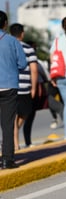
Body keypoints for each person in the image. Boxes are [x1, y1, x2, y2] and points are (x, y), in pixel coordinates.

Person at [0, 10, 27, 169]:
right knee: (7, 124)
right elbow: (23, 64)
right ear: (5, 24)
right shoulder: (12, 41)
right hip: (9, 86)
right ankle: (7, 160)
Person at [9, 23, 38, 150]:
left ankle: (11, 137)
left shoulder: (6, 47)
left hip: (9, 85)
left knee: (16, 116)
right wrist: (34, 88)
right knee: (22, 114)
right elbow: (34, 70)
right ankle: (15, 143)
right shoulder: (29, 49)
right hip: (24, 87)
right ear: (22, 33)